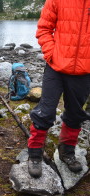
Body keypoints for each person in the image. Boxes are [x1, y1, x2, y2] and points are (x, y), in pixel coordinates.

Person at [27, 0, 90, 178]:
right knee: (45, 111)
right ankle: (34, 154)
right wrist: (52, 54)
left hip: (84, 70)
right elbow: (44, 29)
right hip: (56, 66)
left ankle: (67, 152)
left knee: (76, 114)